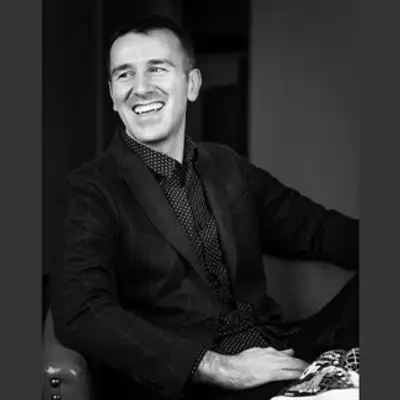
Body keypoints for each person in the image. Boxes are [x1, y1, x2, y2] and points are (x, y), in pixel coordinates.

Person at [50, 14, 358, 400]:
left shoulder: (226, 165)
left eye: (157, 69)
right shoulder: (90, 189)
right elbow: (81, 310)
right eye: (125, 74)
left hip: (276, 352)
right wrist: (221, 369)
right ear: (113, 95)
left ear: (192, 84)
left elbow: (317, 230)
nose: (140, 88)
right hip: (193, 385)